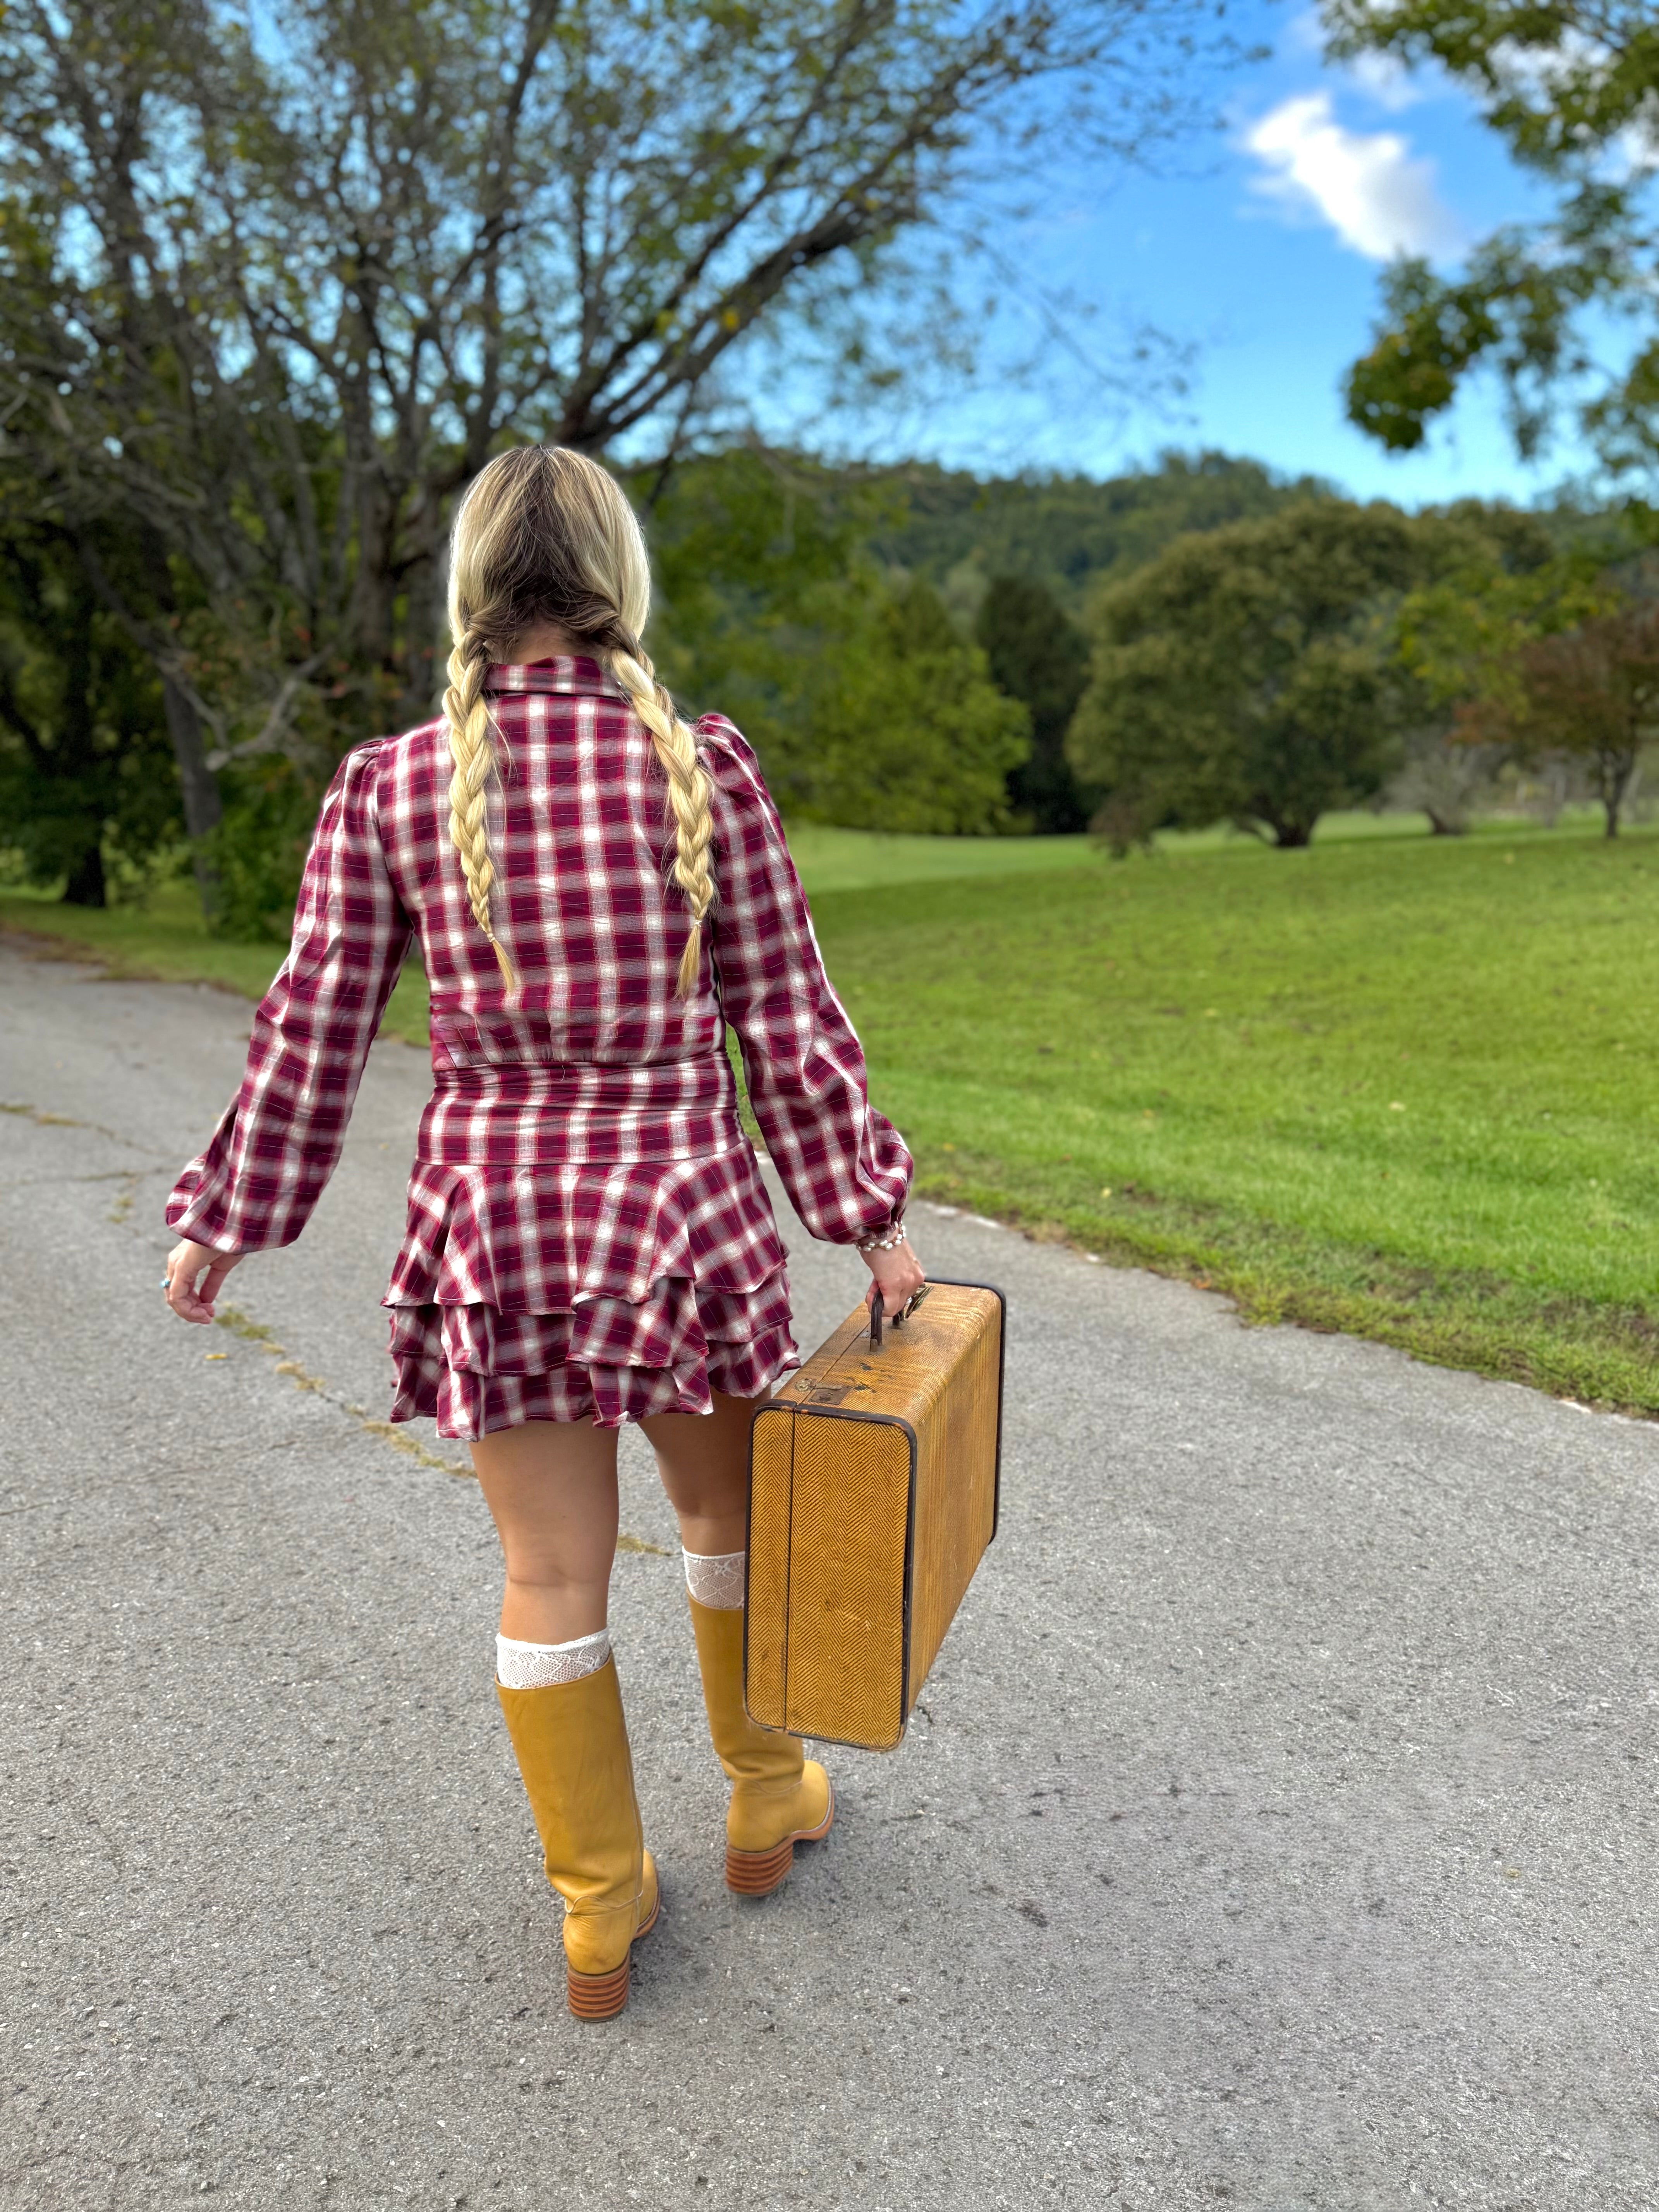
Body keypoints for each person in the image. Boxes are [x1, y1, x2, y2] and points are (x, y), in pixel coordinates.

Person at [161, 446, 923, 2021]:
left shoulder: (392, 785)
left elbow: (308, 1030)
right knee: (724, 1526)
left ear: (471, 595)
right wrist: (869, 1219)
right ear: (617, 584)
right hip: (681, 1217)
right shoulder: (701, 766)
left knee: (550, 1569)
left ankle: (598, 1910)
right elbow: (785, 1017)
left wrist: (224, 1220)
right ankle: (763, 1794)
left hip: (491, 1227)